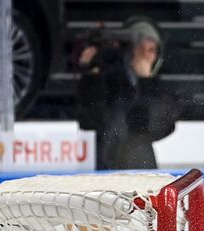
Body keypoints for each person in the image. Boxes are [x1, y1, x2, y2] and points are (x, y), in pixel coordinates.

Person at [75, 18, 181, 171]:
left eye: (152, 49)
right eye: (142, 45)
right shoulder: (109, 78)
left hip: (142, 172)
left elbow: (159, 126)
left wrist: (146, 82)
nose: (147, 53)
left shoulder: (155, 86)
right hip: (109, 169)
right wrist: (92, 75)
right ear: (130, 49)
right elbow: (90, 121)